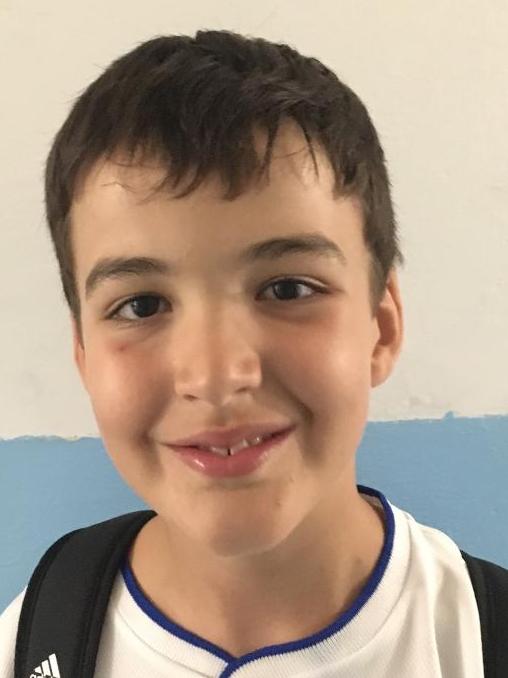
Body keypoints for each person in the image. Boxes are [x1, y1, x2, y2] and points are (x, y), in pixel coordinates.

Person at [0, 29, 488, 677]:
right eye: (141, 305)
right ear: (84, 353)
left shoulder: (477, 638)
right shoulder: (32, 641)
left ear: (381, 326)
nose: (215, 376)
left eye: (288, 289)